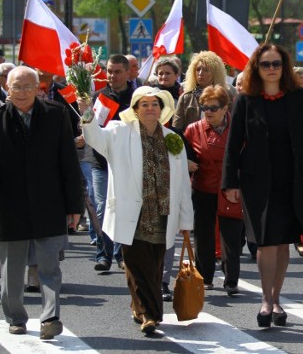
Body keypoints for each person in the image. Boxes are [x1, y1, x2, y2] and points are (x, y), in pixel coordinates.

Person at [0, 66, 83, 339]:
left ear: (38, 88)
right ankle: (16, 317)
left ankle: (50, 317)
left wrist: (74, 206)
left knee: (49, 267)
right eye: (15, 87)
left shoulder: (56, 116)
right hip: (9, 206)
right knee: (12, 269)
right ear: (6, 90)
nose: (21, 92)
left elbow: (68, 163)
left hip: (49, 203)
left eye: (27, 86)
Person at [222, 43, 303, 328]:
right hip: (256, 182)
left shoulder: (298, 98)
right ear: (256, 68)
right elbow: (233, 143)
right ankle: (266, 300)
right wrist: (230, 181)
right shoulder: (246, 99)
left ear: (284, 66)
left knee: (282, 241)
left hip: (293, 179)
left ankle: (276, 298)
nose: (271, 69)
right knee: (265, 240)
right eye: (265, 64)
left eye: (276, 64)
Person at [80, 86, 193, 334]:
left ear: (162, 109)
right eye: (144, 104)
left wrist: (186, 221)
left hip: (163, 214)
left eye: (155, 104)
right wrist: (87, 113)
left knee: (153, 266)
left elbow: (183, 181)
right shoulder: (119, 131)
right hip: (132, 213)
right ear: (135, 109)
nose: (150, 108)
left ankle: (138, 306)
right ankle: (149, 314)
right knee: (136, 264)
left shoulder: (172, 138)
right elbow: (94, 138)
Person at [184, 85, 243, 295]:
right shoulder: (193, 130)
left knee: (232, 236)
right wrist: (188, 163)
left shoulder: (238, 127)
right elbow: (185, 155)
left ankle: (231, 281)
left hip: (230, 189)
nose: (208, 111)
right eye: (205, 107)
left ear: (225, 107)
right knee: (203, 235)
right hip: (203, 188)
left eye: (214, 107)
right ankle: (205, 277)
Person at [90, 54, 133, 272]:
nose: (112, 76)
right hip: (101, 162)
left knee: (121, 207)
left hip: (126, 163)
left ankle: (119, 253)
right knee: (101, 208)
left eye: (117, 71)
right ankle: (102, 254)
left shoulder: (136, 97)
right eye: (109, 71)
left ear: (127, 73)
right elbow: (92, 126)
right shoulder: (99, 96)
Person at [172, 51, 237, 133]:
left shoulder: (226, 95)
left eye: (206, 70)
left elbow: (235, 124)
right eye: (198, 69)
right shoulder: (186, 98)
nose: (200, 73)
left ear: (215, 73)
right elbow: (176, 129)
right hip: (192, 144)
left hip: (221, 143)